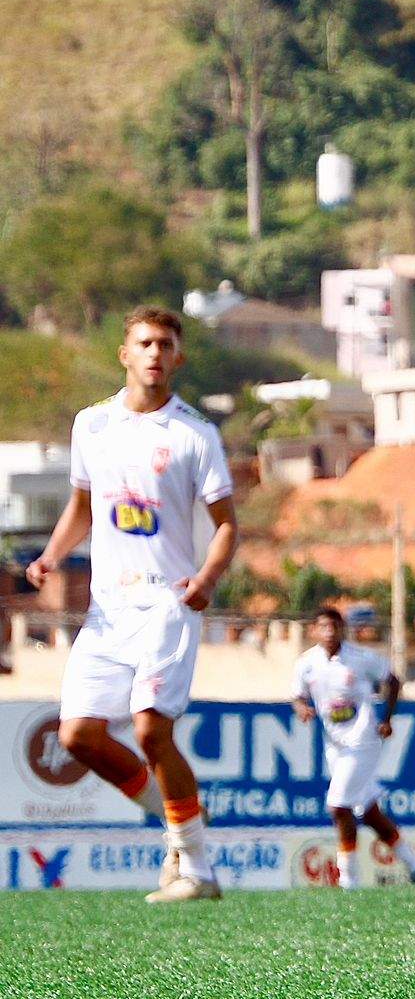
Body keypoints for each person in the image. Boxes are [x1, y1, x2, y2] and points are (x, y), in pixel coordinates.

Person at [27, 306, 238, 902]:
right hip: (105, 611)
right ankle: (176, 825)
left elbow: (226, 525)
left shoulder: (196, 433)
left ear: (178, 357)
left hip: (168, 606)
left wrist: (207, 578)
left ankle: (198, 870)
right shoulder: (91, 425)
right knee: (77, 737)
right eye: (143, 342)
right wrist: (49, 556)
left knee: (150, 730)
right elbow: (82, 507)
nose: (154, 353)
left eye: (165, 344)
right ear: (124, 354)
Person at [292, 606, 415, 889]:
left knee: (337, 806)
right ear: (314, 631)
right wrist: (301, 708)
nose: (330, 632)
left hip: (363, 740)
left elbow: (392, 680)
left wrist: (387, 719)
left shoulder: (360, 658)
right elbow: (297, 696)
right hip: (335, 746)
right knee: (368, 812)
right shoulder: (306, 663)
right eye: (323, 627)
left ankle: (348, 880)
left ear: (343, 629)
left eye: (335, 626)